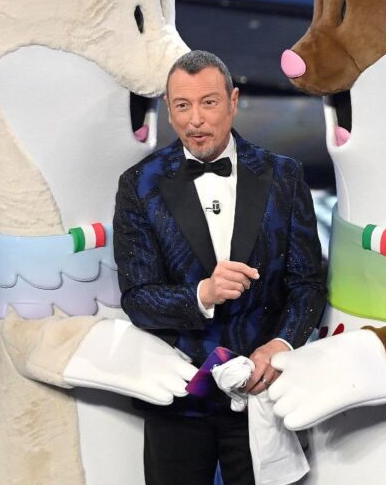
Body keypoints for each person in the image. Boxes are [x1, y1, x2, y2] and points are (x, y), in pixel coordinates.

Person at [113, 50, 326, 485]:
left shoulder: (284, 176)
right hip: (178, 398)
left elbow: (307, 284)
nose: (195, 120)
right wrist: (201, 295)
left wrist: (282, 344)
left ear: (233, 100)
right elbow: (137, 298)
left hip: (261, 395)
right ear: (168, 111)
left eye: (208, 103)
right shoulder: (138, 184)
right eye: (182, 105)